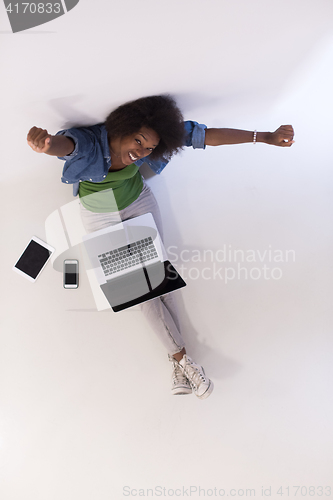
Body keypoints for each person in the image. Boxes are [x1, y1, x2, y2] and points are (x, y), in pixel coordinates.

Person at [27, 94, 294, 400]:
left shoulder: (148, 147)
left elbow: (205, 136)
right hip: (99, 214)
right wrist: (48, 146)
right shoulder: (92, 142)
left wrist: (266, 137)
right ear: (122, 128)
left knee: (159, 277)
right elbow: (67, 145)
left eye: (149, 148)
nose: (140, 152)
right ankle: (182, 359)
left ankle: (180, 366)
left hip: (138, 203)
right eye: (138, 141)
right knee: (137, 291)